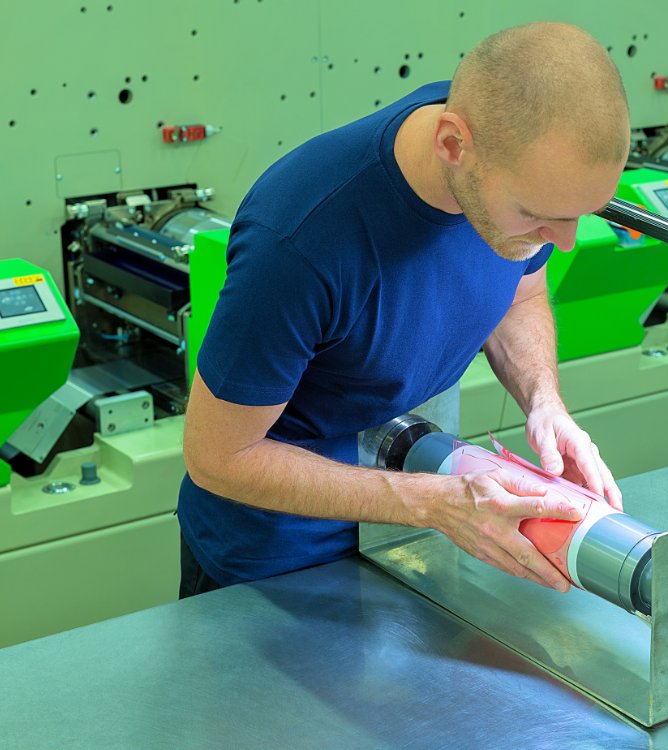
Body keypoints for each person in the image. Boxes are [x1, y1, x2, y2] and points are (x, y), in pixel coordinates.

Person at [179, 22, 631, 599]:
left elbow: (522, 294)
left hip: (416, 529)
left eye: (580, 215)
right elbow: (218, 457)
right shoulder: (301, 240)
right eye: (539, 216)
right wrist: (433, 503)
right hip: (277, 565)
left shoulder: (515, 156)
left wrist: (545, 403)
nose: (563, 242)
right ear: (452, 145)